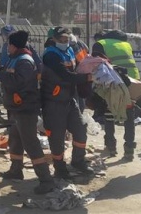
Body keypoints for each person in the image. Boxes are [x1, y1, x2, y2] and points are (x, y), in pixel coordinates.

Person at [0, 30, 56, 194]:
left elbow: (19, 81)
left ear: (13, 45)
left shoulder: (24, 61)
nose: (7, 48)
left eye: (8, 45)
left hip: (25, 108)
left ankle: (46, 180)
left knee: (31, 143)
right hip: (16, 108)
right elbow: (4, 71)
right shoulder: (15, 59)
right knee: (16, 140)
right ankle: (16, 170)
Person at [41, 26, 94, 179]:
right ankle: (60, 168)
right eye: (61, 40)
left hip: (69, 99)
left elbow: (77, 69)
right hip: (54, 101)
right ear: (54, 40)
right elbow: (65, 75)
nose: (64, 42)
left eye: (66, 39)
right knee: (57, 136)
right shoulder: (50, 55)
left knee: (80, 129)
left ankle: (78, 161)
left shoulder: (69, 51)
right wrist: (86, 78)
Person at [90, 30, 139, 161]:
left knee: (109, 113)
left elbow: (96, 66)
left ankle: (111, 147)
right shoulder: (126, 44)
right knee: (129, 115)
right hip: (131, 81)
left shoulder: (100, 44)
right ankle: (129, 150)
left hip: (113, 82)